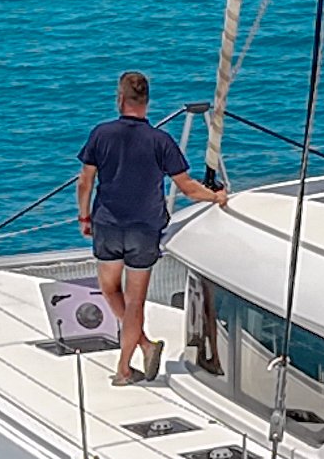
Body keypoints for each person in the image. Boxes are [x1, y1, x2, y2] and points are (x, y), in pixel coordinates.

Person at [71, 70, 225, 387]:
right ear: (147, 102)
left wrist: (84, 217)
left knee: (110, 289)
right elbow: (187, 188)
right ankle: (130, 360)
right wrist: (217, 197)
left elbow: (85, 181)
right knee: (134, 302)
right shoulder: (160, 141)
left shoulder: (101, 134)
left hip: (108, 224)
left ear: (120, 99)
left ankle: (138, 352)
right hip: (144, 229)